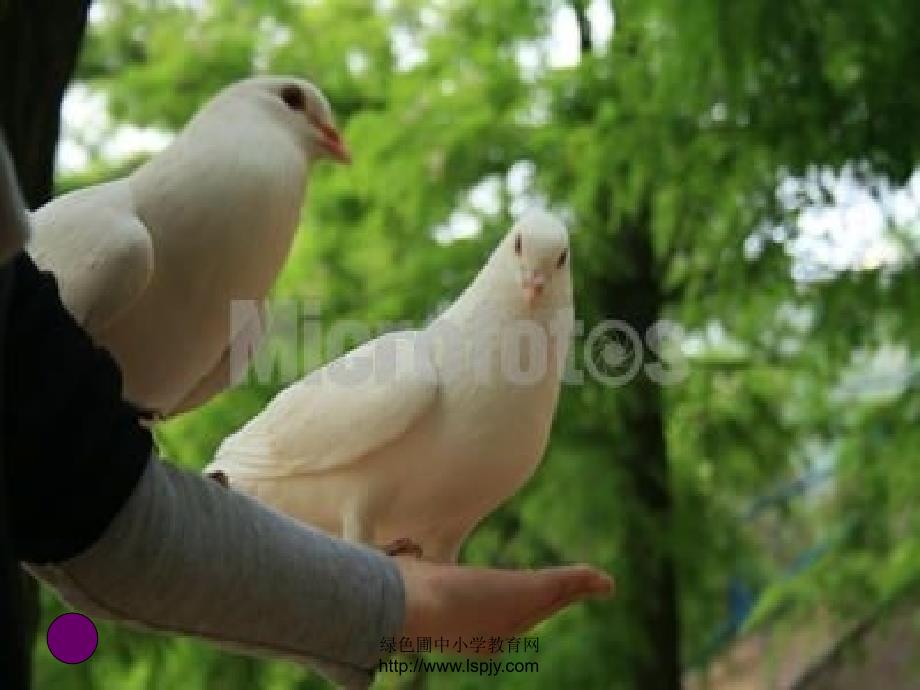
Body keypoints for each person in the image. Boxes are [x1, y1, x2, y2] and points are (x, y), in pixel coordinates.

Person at [0, 135, 612, 690]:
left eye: (550, 267)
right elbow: (78, 493)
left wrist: (401, 605)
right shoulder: (414, 368)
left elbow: (78, 489)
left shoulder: (525, 432)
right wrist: (385, 603)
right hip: (262, 476)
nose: (532, 282)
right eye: (522, 257)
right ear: (507, 253)